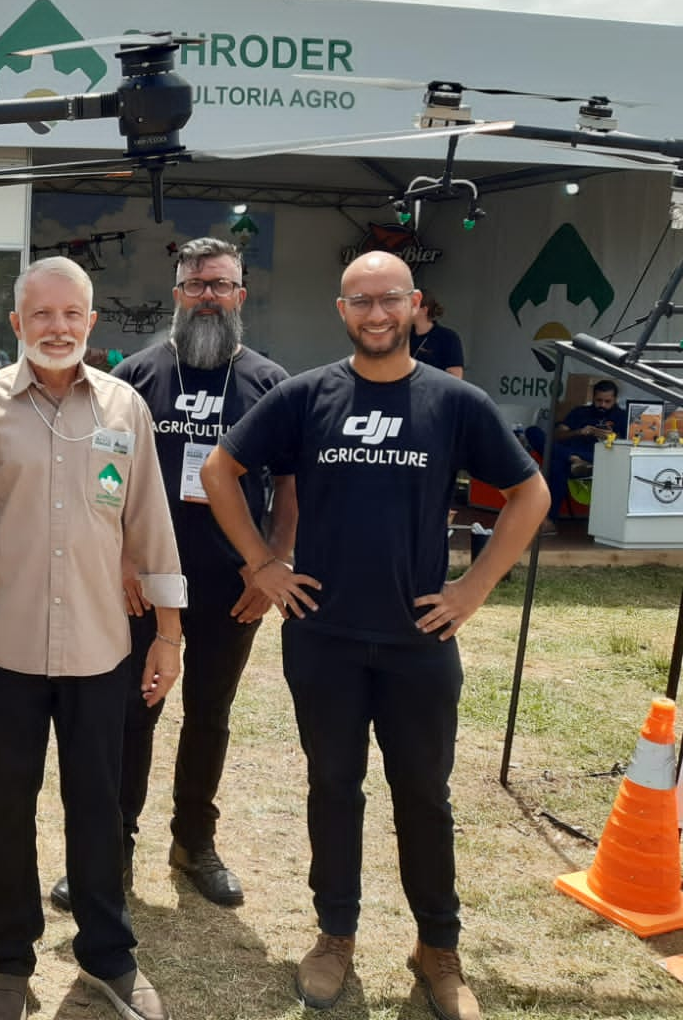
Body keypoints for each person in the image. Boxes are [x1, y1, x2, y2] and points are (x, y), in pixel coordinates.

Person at [200, 252, 548, 1020]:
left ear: (416, 305)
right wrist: (263, 563)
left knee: (423, 794)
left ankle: (438, 949)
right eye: (362, 301)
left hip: (418, 640)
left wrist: (474, 587)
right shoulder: (306, 396)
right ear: (342, 310)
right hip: (323, 639)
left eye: (390, 299)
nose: (377, 313)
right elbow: (220, 472)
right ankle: (335, 936)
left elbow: (531, 492)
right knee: (333, 789)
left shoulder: (455, 402)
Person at [0, 256, 186, 1020]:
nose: (57, 328)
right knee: (4, 806)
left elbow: (152, 528)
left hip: (99, 647)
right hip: (2, 647)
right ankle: (8, 960)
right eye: (41, 315)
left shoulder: (124, 410)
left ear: (90, 322)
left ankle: (108, 954)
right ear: (17, 324)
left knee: (99, 804)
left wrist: (168, 634)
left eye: (70, 314)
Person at [49, 237, 294, 913]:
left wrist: (273, 565)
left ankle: (194, 844)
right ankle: (114, 849)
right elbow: (104, 476)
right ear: (177, 296)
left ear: (240, 296)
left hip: (232, 585)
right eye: (194, 285)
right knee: (131, 714)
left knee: (209, 715)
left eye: (219, 285)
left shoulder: (269, 383)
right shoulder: (135, 376)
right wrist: (123, 559)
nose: (207, 296)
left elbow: (290, 485)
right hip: (142, 583)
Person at [536, 380, 621, 521]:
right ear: (593, 398)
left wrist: (614, 437)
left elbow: (631, 444)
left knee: (557, 464)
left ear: (615, 400)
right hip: (571, 453)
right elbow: (557, 435)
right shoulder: (580, 412)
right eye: (599, 400)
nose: (602, 405)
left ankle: (549, 520)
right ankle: (572, 458)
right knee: (533, 432)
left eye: (607, 401)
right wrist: (579, 432)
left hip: (595, 457)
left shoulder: (621, 416)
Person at [410, 293, 464, 378]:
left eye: (411, 306)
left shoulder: (448, 338)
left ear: (424, 310)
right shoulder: (403, 336)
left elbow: (456, 376)